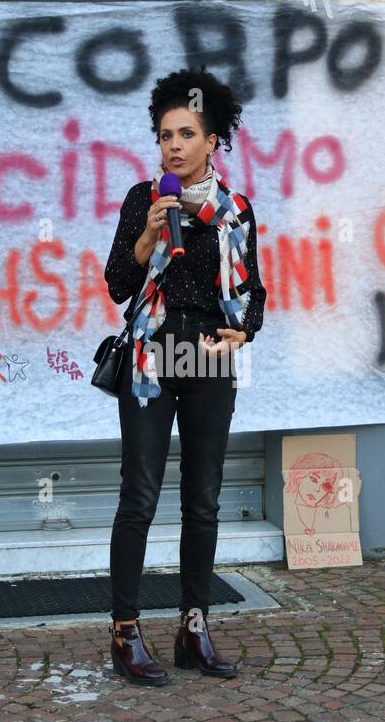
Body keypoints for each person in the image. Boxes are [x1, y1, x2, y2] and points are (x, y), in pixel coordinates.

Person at [101, 67, 267, 686]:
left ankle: (193, 629)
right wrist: (146, 237)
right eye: (165, 134)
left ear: (213, 140)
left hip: (208, 360)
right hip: (151, 356)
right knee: (139, 497)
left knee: (203, 499)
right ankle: (125, 632)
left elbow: (255, 291)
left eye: (187, 133)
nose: (173, 145)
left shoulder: (237, 210)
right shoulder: (143, 200)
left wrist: (244, 329)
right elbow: (119, 284)